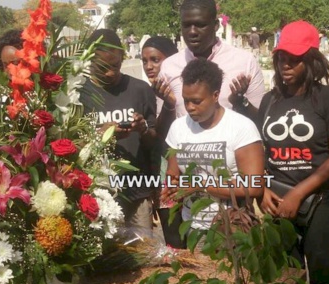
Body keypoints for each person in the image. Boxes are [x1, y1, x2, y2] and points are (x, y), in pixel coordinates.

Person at [256, 20, 329, 284]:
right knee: (290, 277)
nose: (286, 66)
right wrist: (264, 189)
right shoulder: (269, 101)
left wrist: (299, 192)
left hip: (319, 204)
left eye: (294, 59)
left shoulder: (328, 99)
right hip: (278, 203)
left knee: (321, 276)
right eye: (281, 57)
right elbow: (260, 153)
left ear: (310, 59)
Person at [163, 59, 264, 232]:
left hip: (232, 227)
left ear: (215, 95)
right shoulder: (178, 128)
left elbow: (253, 186)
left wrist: (202, 185)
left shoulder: (241, 127)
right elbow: (173, 173)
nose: (190, 107)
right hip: (192, 224)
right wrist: (172, 189)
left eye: (196, 101)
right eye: (186, 101)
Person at [79, 29, 158, 236]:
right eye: (103, 67)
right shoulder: (79, 95)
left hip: (137, 190)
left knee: (145, 253)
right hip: (97, 195)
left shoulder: (140, 89)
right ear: (89, 61)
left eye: (115, 65)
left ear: (123, 57)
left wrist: (143, 129)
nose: (110, 73)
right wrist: (101, 134)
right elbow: (72, 145)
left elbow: (153, 142)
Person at [158, 0, 265, 121]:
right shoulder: (169, 67)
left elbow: (261, 121)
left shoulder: (245, 62)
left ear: (216, 25)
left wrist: (240, 101)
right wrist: (169, 105)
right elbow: (161, 129)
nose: (192, 32)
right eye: (186, 25)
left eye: (200, 25)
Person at [140, 36, 185, 249]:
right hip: (162, 173)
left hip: (189, 169)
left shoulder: (187, 89)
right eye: (145, 61)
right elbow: (155, 136)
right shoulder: (144, 93)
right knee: (174, 238)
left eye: (155, 60)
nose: (149, 66)